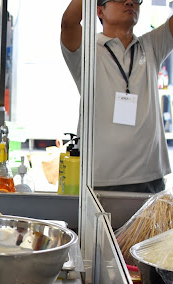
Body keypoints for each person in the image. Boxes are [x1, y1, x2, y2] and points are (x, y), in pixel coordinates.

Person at [61, 0, 173, 193]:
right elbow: (69, 23)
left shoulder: (150, 46)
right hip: (100, 178)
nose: (130, 2)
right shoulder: (87, 49)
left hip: (149, 177)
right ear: (99, 10)